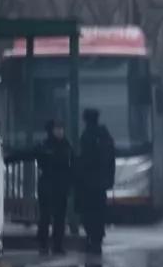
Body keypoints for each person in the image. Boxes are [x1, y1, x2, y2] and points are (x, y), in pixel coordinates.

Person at [75, 108, 115, 255]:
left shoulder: (87, 136)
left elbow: (84, 160)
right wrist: (109, 179)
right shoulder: (105, 136)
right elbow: (111, 161)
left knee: (89, 212)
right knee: (99, 211)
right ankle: (97, 237)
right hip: (101, 183)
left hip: (88, 183)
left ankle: (92, 237)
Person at [35, 120, 73, 255]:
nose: (60, 131)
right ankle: (43, 243)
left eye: (61, 128)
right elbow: (40, 162)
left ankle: (58, 244)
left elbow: (71, 166)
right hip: (47, 185)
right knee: (45, 216)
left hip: (61, 186)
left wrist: (69, 184)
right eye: (57, 129)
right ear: (51, 130)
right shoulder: (45, 146)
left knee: (60, 217)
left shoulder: (67, 145)